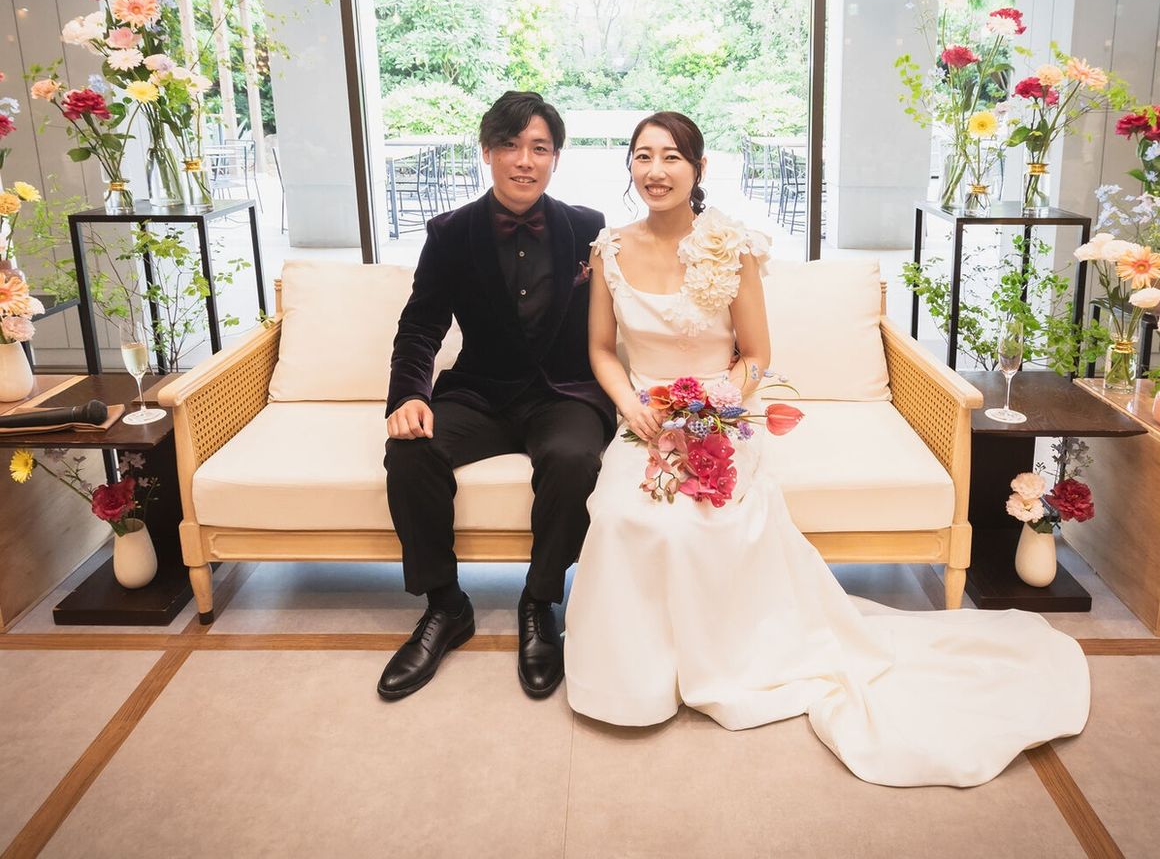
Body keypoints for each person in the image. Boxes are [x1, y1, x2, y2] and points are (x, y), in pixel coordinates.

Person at [563, 111, 1090, 787]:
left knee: (699, 520)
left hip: (719, 415)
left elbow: (757, 354)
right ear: (630, 166)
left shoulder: (731, 247)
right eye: (643, 156)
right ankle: (637, 677)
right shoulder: (609, 248)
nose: (655, 170)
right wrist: (634, 407)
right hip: (642, 420)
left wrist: (712, 413)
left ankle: (716, 664)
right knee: (621, 514)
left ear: (698, 168)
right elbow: (601, 350)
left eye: (671, 156)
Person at [379, 91, 614, 702]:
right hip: (480, 392)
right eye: (509, 145)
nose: (523, 160)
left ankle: (539, 602)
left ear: (555, 158)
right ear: (486, 152)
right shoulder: (451, 233)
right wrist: (408, 395)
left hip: (563, 394)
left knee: (574, 458)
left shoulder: (590, 229)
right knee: (409, 450)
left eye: (539, 147)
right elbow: (420, 326)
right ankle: (445, 606)